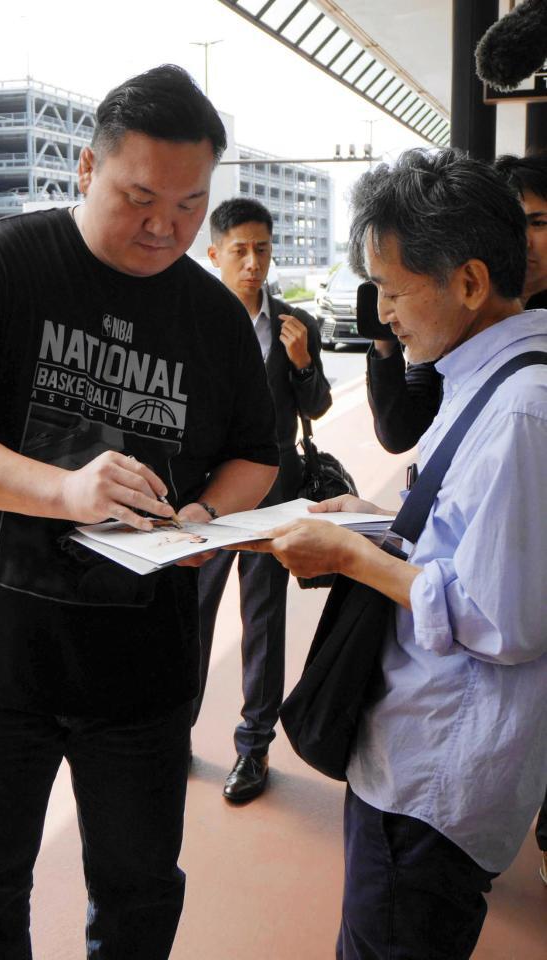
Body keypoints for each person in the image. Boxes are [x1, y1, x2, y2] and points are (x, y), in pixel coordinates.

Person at [0, 65, 279, 960]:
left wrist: (204, 517)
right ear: (84, 169)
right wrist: (64, 491)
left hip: (141, 675)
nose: (165, 226)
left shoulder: (215, 320)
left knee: (141, 894)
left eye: (190, 205)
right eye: (141, 196)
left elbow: (258, 453)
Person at [237, 149, 547, 958]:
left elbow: (500, 617)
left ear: (470, 283)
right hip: (424, 758)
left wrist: (346, 554)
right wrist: (376, 520)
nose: (381, 313)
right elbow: (466, 531)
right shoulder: (491, 373)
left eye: (395, 289)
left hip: (434, 773)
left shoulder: (521, 411)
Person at [192, 197, 332, 801]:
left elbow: (317, 405)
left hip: (276, 497)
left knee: (264, 623)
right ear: (215, 253)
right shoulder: (191, 319)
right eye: (241, 250)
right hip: (209, 499)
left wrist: (301, 364)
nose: (253, 263)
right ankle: (175, 733)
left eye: (263, 250)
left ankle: (254, 748)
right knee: (189, 619)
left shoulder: (296, 323)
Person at [366, 152, 547, 454]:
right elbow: (400, 430)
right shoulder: (451, 330)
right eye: (511, 222)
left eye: (538, 223)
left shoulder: (523, 407)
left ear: (471, 282)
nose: (521, 239)